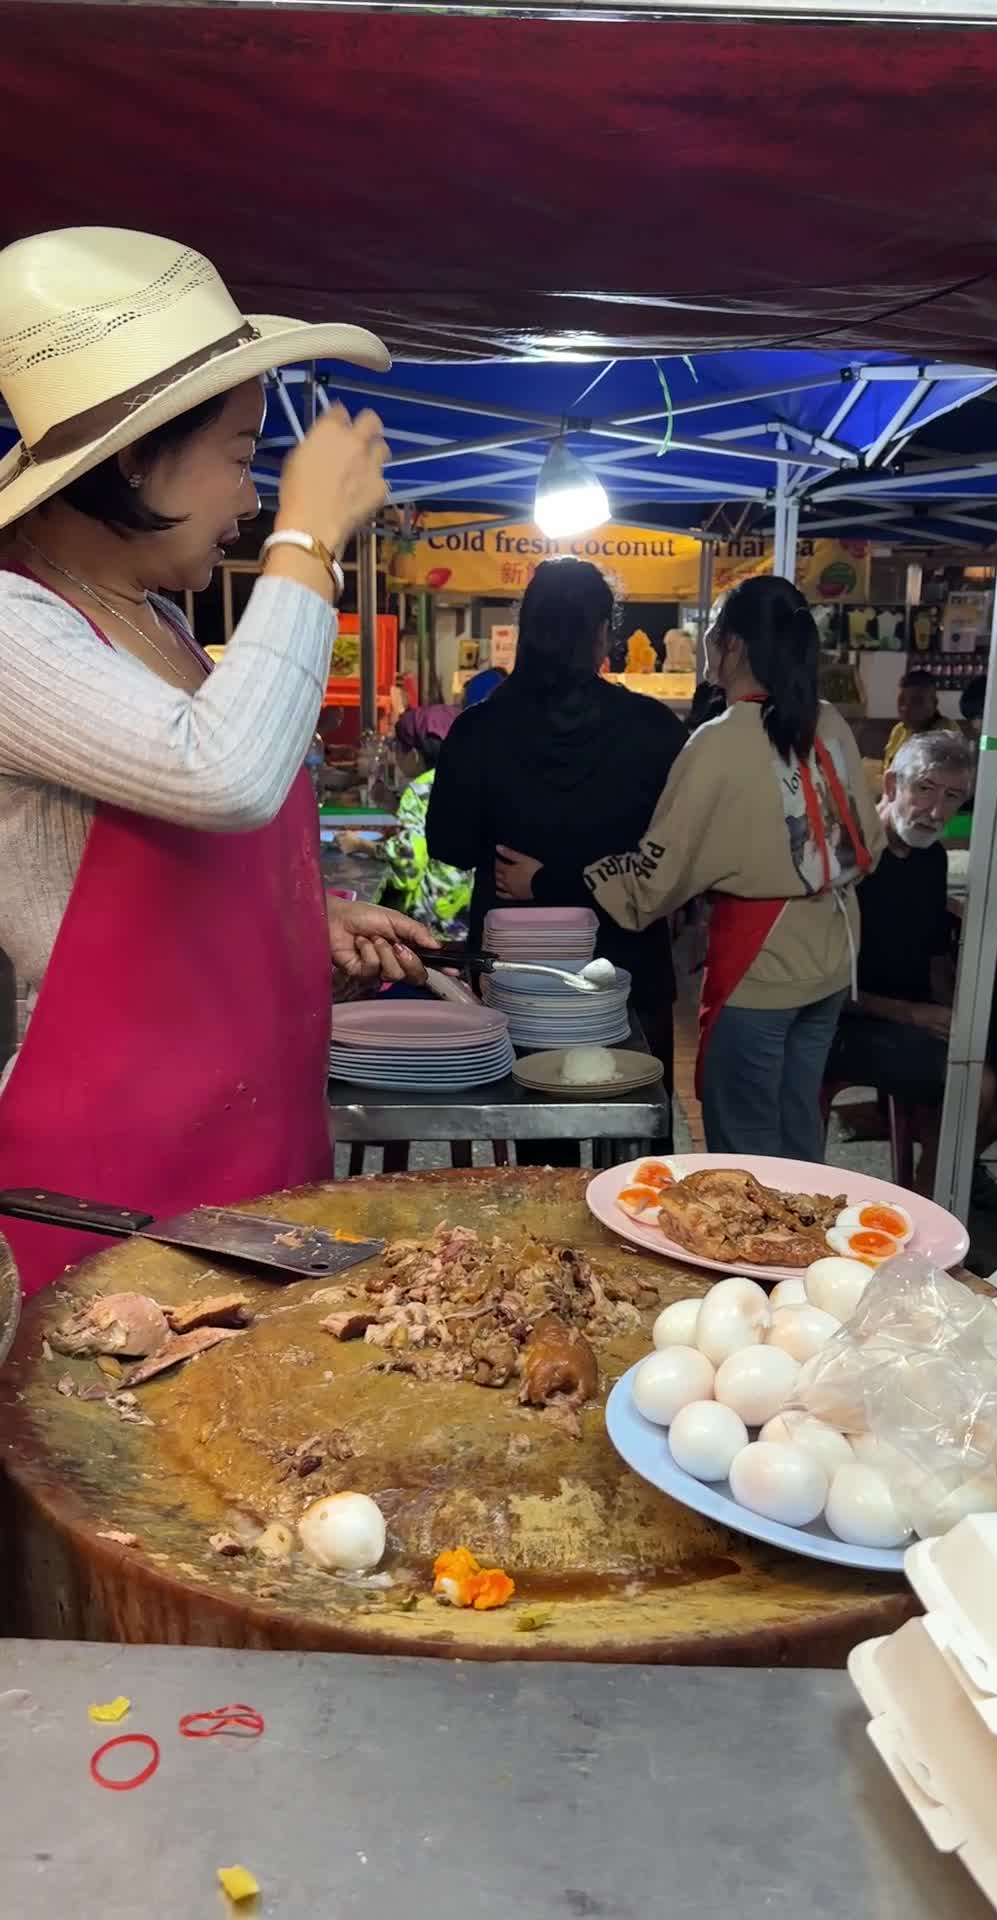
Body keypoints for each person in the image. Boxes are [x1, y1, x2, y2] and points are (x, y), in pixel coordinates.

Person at [0, 225, 436, 1296]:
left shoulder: (157, 620)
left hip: (248, 1136)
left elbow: (191, 825)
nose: (253, 499)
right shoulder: (15, 621)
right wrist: (308, 538)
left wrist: (307, 916)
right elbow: (222, 771)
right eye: (242, 456)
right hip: (112, 1169)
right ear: (136, 457)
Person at [497, 575, 883, 1161]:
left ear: (732, 645)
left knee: (745, 1146)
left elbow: (656, 878)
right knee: (799, 1126)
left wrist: (549, 880)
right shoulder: (828, 722)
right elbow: (868, 840)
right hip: (833, 954)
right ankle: (808, 1243)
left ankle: (757, 1251)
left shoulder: (721, 742)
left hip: (762, 963)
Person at [426, 557, 686, 1112]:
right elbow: (675, 856)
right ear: (601, 633)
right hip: (631, 960)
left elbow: (447, 844)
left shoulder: (476, 730)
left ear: (528, 632)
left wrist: (535, 870)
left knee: (537, 1136)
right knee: (637, 1134)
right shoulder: (655, 729)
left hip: (520, 972)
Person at [827, 731, 997, 1201]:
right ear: (890, 785)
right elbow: (826, 985)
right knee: (973, 1083)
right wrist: (915, 1016)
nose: (937, 812)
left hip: (923, 1015)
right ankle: (934, 1206)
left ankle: (949, 1163)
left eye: (952, 797)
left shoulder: (930, 857)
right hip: (853, 1020)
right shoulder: (849, 858)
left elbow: (932, 955)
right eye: (924, 789)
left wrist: (955, 1010)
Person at [383, 705, 473, 940]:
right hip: (469, 915)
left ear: (413, 754)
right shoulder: (470, 778)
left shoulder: (419, 789)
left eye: (397, 748)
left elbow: (408, 866)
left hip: (430, 921)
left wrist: (362, 846)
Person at [882, 667, 960, 771]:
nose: (906, 708)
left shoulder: (947, 733)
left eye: (916, 702)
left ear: (934, 703)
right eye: (901, 701)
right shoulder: (899, 731)